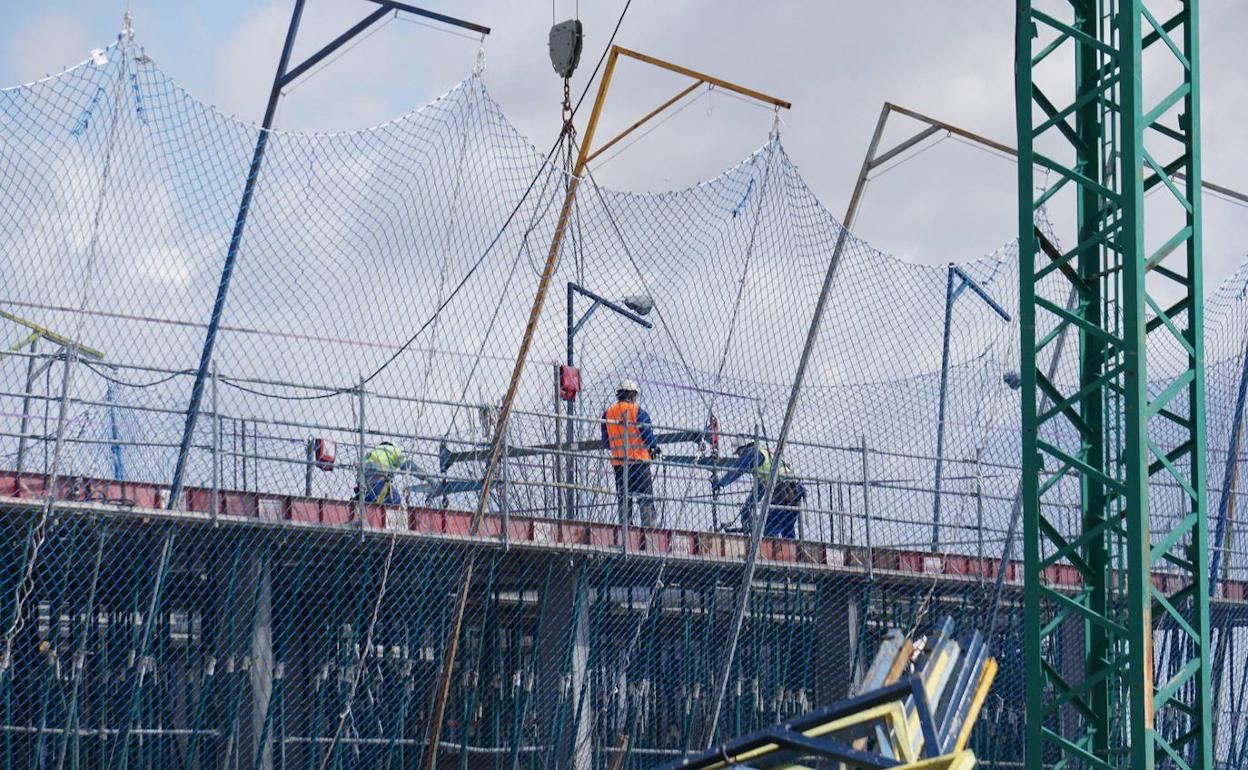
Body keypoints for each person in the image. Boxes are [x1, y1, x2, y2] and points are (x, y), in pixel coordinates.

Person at [714, 441, 806, 539]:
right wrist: (745, 511)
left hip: (784, 492)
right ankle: (790, 551)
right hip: (794, 493)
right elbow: (757, 494)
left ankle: (773, 550)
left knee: (769, 529)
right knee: (786, 529)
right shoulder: (764, 463)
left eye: (739, 453)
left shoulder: (754, 453)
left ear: (746, 447)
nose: (740, 457)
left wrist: (720, 483)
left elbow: (738, 470)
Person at [600, 379, 660, 526]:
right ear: (633, 395)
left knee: (624, 498)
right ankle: (649, 529)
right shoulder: (638, 411)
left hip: (620, 464)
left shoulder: (608, 414)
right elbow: (647, 434)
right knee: (645, 499)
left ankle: (626, 528)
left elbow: (606, 442)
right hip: (639, 463)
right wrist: (653, 448)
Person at [360, 440, 419, 504]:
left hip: (363, 478)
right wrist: (426, 477)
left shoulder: (374, 451)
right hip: (378, 475)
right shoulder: (393, 450)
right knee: (395, 500)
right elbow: (407, 465)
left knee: (372, 496)